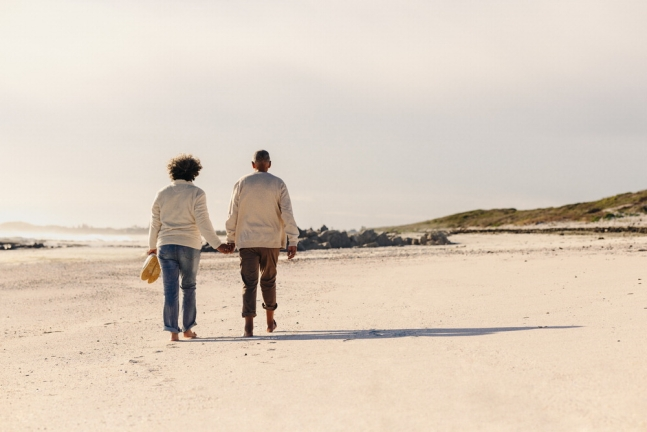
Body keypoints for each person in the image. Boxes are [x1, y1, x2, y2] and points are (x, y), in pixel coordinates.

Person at [147, 154, 231, 341]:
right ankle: (187, 330)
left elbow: (155, 223)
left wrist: (152, 246)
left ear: (172, 171)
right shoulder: (197, 193)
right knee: (189, 287)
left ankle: (173, 333)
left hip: (166, 245)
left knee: (170, 290)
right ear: (194, 172)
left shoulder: (162, 193)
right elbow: (203, 222)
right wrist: (217, 245)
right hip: (189, 245)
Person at [226, 150, 299, 337]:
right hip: (271, 241)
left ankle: (248, 327)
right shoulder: (278, 183)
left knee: (249, 283)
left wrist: (231, 238)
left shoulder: (242, 182)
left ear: (253, 164)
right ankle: (269, 323)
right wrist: (293, 239)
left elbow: (232, 212)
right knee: (269, 281)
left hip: (247, 240)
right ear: (269, 164)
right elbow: (287, 213)